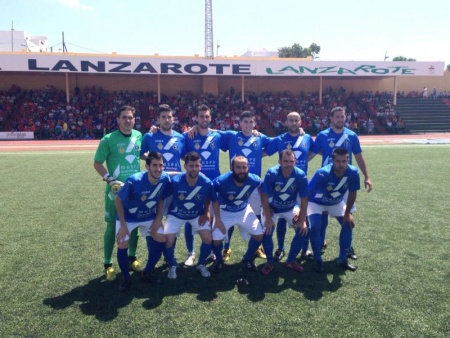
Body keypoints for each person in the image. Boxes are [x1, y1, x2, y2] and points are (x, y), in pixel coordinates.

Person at [310, 106, 372, 259]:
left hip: (344, 183)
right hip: (326, 182)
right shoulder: (323, 135)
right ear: (331, 119)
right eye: (336, 116)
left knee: (347, 217)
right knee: (322, 215)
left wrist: (367, 176)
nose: (339, 119)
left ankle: (348, 247)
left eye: (342, 116)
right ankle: (320, 241)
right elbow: (311, 153)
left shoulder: (351, 136)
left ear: (345, 117)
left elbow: (359, 157)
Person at [93, 105, 143, 282]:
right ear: (118, 120)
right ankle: (107, 263)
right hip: (114, 192)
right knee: (111, 227)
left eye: (130, 117)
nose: (127, 120)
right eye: (124, 117)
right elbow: (97, 163)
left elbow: (139, 155)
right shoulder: (108, 139)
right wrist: (109, 179)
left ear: (134, 119)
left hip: (134, 191)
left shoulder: (139, 136)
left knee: (134, 225)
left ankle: (132, 257)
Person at [115, 151, 171, 291]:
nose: (158, 169)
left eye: (161, 165)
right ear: (147, 166)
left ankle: (147, 272)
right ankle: (126, 278)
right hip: (128, 217)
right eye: (154, 165)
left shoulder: (164, 178)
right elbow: (118, 200)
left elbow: (160, 199)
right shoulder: (134, 180)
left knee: (161, 238)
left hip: (148, 216)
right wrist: (123, 225)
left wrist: (158, 220)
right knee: (122, 243)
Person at [220, 111, 272, 262]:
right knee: (228, 214)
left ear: (254, 124)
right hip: (233, 184)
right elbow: (212, 132)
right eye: (245, 122)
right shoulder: (232, 136)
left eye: (251, 122)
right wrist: (195, 128)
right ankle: (226, 247)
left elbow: (277, 143)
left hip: (253, 185)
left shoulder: (260, 137)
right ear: (240, 123)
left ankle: (256, 248)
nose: (248, 125)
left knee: (255, 215)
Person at [264, 111, 314, 261]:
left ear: (300, 122)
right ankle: (280, 248)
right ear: (286, 122)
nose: (293, 123)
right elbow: (263, 151)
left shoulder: (307, 138)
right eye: (290, 120)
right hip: (283, 182)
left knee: (304, 218)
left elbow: (314, 152)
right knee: (281, 219)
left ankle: (305, 249)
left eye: (296, 120)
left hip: (300, 183)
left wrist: (304, 162)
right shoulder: (279, 140)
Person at [182, 105, 226, 266]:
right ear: (197, 118)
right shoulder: (188, 136)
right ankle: (190, 252)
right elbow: (170, 138)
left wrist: (256, 131)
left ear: (210, 118)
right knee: (189, 218)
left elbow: (243, 134)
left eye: (207, 116)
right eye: (201, 116)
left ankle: (214, 252)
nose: (204, 119)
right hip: (193, 184)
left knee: (213, 218)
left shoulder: (218, 135)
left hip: (214, 184)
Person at [163, 152, 217, 278]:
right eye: (191, 166)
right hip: (176, 214)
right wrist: (159, 217)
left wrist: (206, 211)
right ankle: (172, 264)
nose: (194, 169)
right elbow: (162, 198)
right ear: (185, 166)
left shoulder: (206, 182)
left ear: (200, 166)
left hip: (196, 215)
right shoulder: (175, 181)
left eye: (197, 166)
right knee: (168, 240)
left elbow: (209, 196)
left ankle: (201, 264)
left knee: (208, 238)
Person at [308, 148, 360, 273]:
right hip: (316, 202)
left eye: (344, 161)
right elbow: (308, 193)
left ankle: (342, 259)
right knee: (315, 226)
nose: (341, 164)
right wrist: (303, 212)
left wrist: (347, 214)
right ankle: (317, 258)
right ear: (332, 160)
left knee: (348, 224)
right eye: (338, 161)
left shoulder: (353, 172)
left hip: (335, 201)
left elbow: (352, 194)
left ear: (348, 160)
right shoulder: (322, 173)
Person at [210, 156, 265, 273]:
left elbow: (262, 188)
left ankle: (247, 258)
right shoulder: (221, 181)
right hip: (225, 212)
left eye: (244, 167)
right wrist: (217, 218)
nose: (241, 171)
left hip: (244, 211)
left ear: (248, 167)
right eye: (238, 167)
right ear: (231, 168)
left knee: (259, 235)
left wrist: (265, 207)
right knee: (216, 240)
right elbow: (211, 195)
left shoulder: (254, 179)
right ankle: (219, 260)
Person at [260, 149, 309, 275]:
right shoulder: (272, 173)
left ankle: (291, 261)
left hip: (290, 208)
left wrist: (302, 220)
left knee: (302, 230)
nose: (288, 164)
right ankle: (270, 262)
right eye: (285, 161)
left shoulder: (301, 175)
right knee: (267, 231)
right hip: (272, 209)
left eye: (291, 161)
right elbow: (264, 196)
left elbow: (304, 199)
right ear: (279, 161)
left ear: (295, 161)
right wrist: (269, 218)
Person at [140, 104, 186, 172]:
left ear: (173, 119)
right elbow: (139, 154)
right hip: (157, 180)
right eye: (163, 117)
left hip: (175, 180)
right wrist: (152, 160)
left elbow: (185, 157)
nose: (167, 120)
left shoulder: (181, 138)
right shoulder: (149, 136)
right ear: (158, 119)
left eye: (169, 117)